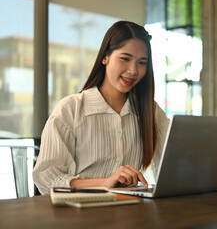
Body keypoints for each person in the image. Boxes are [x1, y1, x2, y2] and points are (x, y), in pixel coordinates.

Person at [33, 21, 170, 195]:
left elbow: (174, 163)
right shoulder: (71, 108)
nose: (133, 71)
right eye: (125, 59)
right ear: (105, 57)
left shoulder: (150, 110)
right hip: (81, 213)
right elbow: (46, 178)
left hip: (130, 211)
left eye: (142, 63)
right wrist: (106, 183)